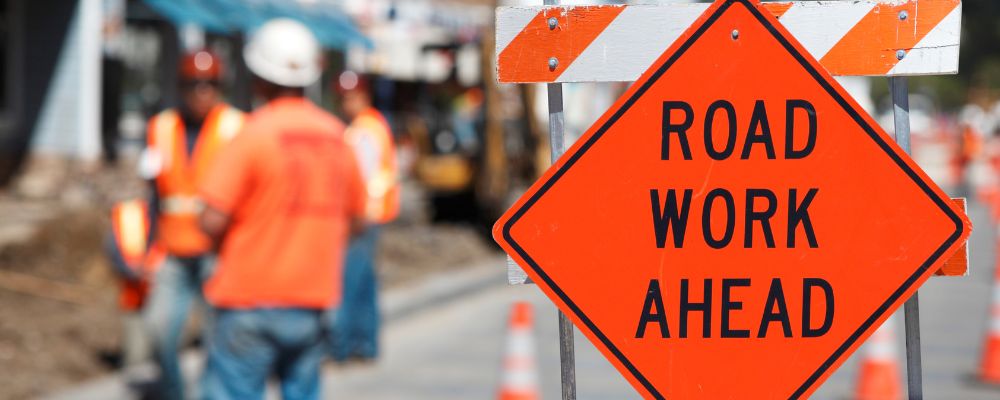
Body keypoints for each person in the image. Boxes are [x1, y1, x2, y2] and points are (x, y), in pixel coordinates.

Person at [198, 18, 365, 399]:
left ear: (259, 79)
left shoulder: (253, 135)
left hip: (249, 300)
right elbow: (357, 218)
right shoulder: (337, 138)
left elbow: (212, 219)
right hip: (311, 300)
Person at [138, 49, 245, 400]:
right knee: (159, 331)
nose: (202, 93)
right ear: (181, 86)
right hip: (173, 248)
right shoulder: (162, 127)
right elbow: (153, 193)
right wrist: (147, 247)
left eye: (209, 85)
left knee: (220, 336)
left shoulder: (235, 127)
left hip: (217, 249)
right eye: (194, 85)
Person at [330, 71, 400, 363]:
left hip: (362, 215)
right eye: (344, 98)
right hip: (374, 213)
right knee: (365, 281)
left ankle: (342, 346)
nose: (347, 104)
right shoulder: (374, 124)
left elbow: (359, 177)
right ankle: (366, 344)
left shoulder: (362, 130)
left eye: (352, 97)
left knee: (349, 281)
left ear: (364, 96)